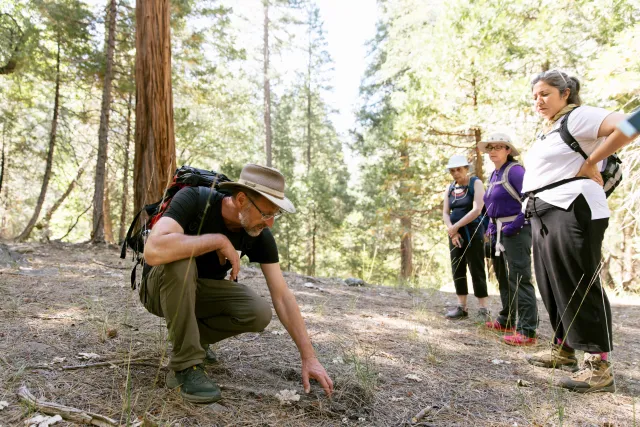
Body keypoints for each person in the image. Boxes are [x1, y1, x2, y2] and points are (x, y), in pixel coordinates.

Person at [141, 164, 334, 402]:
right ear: (241, 199)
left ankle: (193, 341)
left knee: (257, 312)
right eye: (266, 213)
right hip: (158, 290)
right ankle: (184, 368)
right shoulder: (194, 199)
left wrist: (309, 357)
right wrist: (217, 240)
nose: (270, 223)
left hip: (198, 294)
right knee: (182, 262)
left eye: (275, 214)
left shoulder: (258, 234)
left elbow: (282, 296)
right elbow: (154, 250)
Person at [522, 70, 628, 393]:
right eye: (535, 95)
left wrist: (593, 159)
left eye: (545, 94)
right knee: (553, 283)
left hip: (573, 206)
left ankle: (598, 367)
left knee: (579, 282)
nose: (538, 101)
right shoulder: (549, 129)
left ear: (565, 93)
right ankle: (564, 349)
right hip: (544, 210)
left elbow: (631, 122)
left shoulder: (578, 117)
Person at [479, 133, 538, 345]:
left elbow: (531, 198)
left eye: (499, 147)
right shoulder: (494, 174)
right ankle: (507, 319)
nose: (493, 150)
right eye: (490, 147)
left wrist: (516, 225)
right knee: (503, 277)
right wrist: (492, 228)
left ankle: (527, 330)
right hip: (498, 231)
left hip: (516, 230)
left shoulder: (515, 171)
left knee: (520, 278)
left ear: (508, 150)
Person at [442, 155, 490, 321]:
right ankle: (461, 307)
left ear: (466, 169)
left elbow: (477, 209)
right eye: (452, 170)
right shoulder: (450, 188)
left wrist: (457, 227)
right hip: (455, 235)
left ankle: (483, 308)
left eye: (459, 169)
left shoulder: (475, 183)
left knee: (476, 268)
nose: (456, 173)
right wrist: (452, 230)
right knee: (457, 268)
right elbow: (445, 213)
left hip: (473, 231)